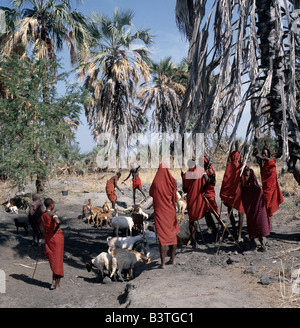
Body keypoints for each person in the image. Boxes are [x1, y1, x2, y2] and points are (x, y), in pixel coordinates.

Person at [149, 163, 180, 268]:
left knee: (162, 238)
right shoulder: (172, 181)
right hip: (170, 212)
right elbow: (175, 198)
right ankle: (172, 260)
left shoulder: (156, 181)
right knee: (172, 236)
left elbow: (151, 193)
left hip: (160, 212)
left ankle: (162, 264)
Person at [241, 168, 272, 251]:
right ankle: (253, 244)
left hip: (258, 212)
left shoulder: (256, 189)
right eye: (244, 176)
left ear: (251, 176)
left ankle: (263, 244)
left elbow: (260, 202)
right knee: (252, 226)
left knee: (260, 225)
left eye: (247, 176)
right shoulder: (244, 188)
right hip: (250, 212)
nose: (245, 177)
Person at [182, 159, 208, 248]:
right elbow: (207, 180)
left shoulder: (186, 175)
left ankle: (194, 242)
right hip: (199, 197)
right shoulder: (200, 171)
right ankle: (214, 234)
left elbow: (184, 189)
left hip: (191, 199)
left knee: (192, 220)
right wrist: (203, 189)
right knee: (205, 213)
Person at [220, 151, 245, 241]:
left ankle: (234, 231)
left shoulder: (229, 166)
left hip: (231, 192)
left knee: (230, 210)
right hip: (238, 192)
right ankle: (239, 234)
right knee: (240, 212)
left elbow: (225, 180)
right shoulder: (242, 165)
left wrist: (223, 192)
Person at [254, 146, 284, 219]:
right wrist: (260, 165)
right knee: (265, 203)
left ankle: (267, 219)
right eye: (262, 153)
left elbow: (264, 158)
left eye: (265, 153)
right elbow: (263, 175)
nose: (264, 155)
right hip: (266, 187)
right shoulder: (265, 165)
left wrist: (257, 154)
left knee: (268, 204)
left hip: (271, 187)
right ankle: (266, 220)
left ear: (268, 154)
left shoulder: (271, 162)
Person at [41, 198, 64, 290]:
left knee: (53, 260)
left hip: (48, 239)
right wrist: (56, 219)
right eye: (53, 203)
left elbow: (48, 216)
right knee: (58, 261)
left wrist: (52, 213)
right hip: (56, 238)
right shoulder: (52, 214)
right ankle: (57, 284)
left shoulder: (43, 214)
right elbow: (58, 221)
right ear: (51, 204)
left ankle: (53, 282)